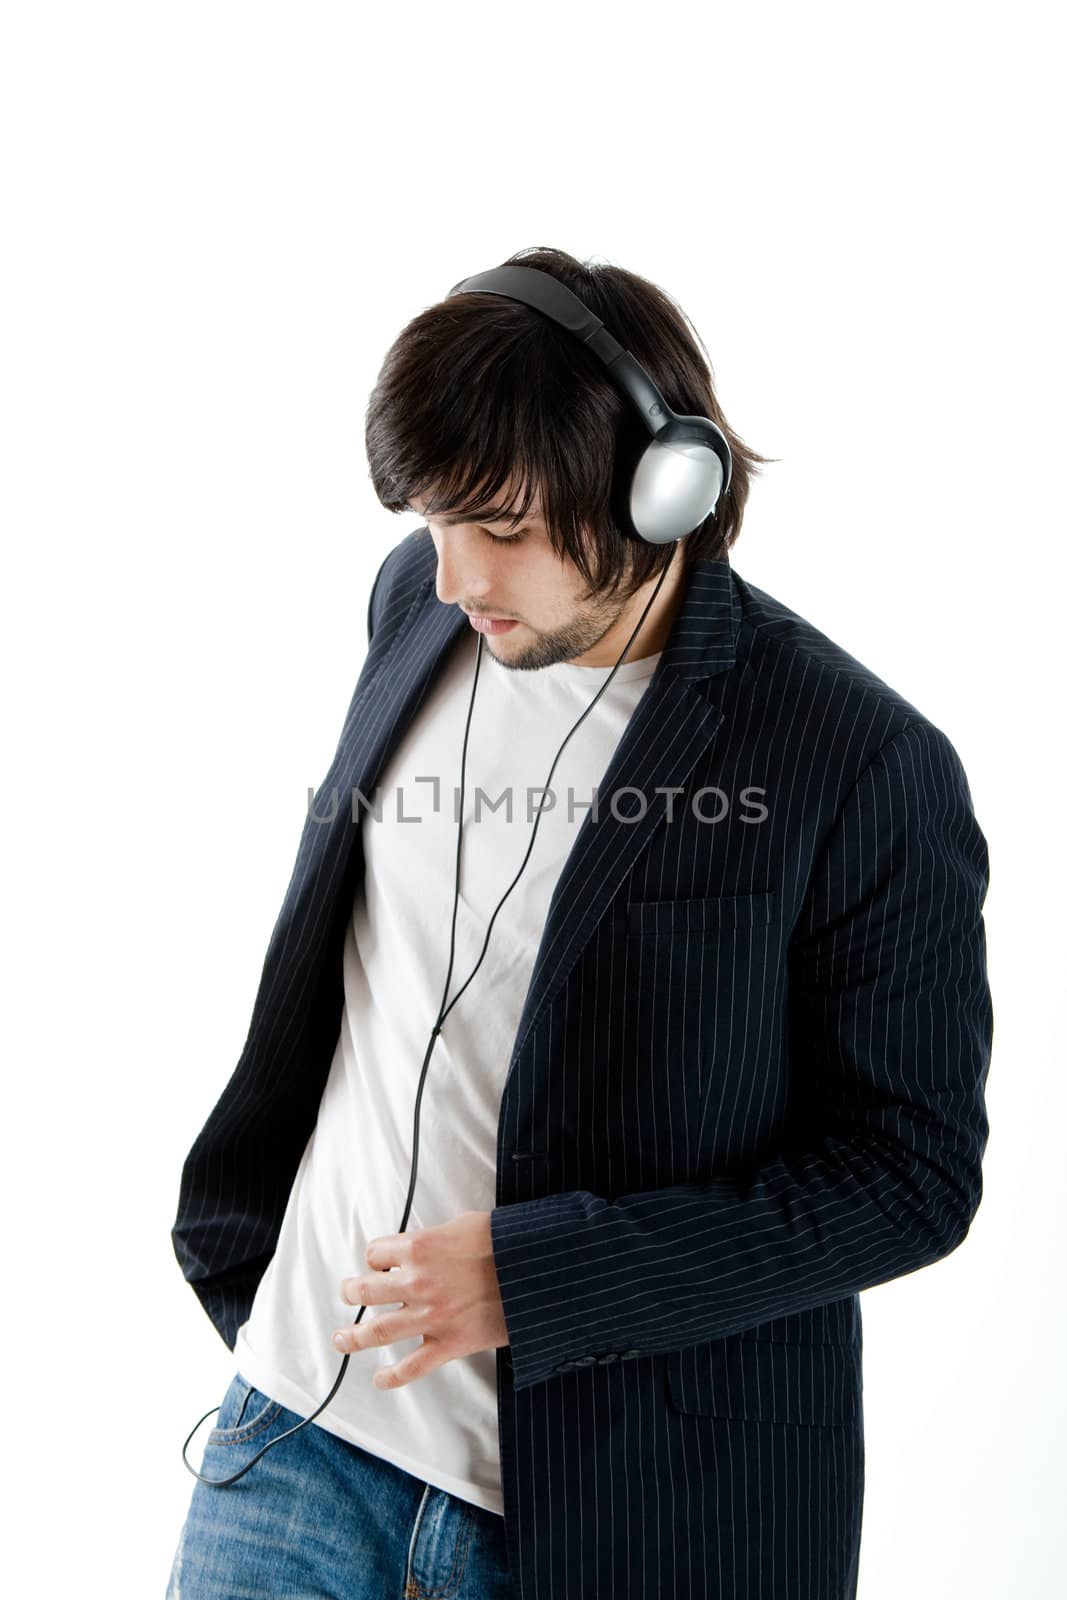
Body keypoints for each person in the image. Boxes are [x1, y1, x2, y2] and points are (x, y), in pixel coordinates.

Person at [167, 246, 994, 1600]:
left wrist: (549, 1281)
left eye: (498, 527)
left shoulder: (858, 761)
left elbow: (911, 1171)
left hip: (615, 1519)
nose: (450, 576)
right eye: (433, 521)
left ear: (663, 491)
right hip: (294, 1440)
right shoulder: (419, 613)